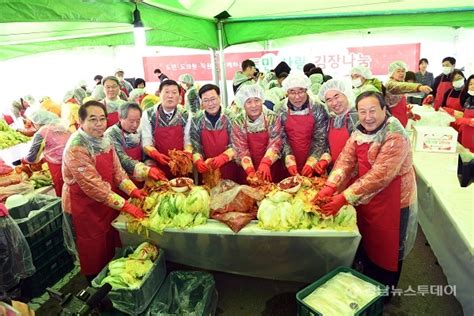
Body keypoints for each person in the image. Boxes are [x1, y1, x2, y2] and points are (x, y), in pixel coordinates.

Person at [315, 91, 417, 295]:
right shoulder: (360, 130)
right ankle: (366, 281)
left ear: (384, 110)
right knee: (368, 239)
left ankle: (385, 292)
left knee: (388, 247)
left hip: (394, 199)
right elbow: (346, 159)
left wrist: (343, 197)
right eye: (363, 112)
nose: (367, 116)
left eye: (373, 111)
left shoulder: (394, 134)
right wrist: (330, 186)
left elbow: (380, 175)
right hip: (365, 195)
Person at [62, 100, 146, 282]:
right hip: (84, 208)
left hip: (105, 202)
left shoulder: (104, 139)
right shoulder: (76, 147)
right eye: (93, 119)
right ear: (81, 121)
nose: (99, 124)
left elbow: (118, 172)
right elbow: (94, 186)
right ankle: (94, 289)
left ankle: (109, 281)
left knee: (107, 243)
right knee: (93, 250)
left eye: (102, 119)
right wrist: (127, 206)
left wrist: (133, 191)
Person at [279, 73, 330, 177]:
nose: (297, 97)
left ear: (307, 90)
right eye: (292, 92)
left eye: (301, 91)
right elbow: (281, 138)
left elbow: (321, 138)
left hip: (315, 160)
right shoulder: (281, 109)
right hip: (289, 161)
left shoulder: (317, 108)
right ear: (286, 93)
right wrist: (289, 158)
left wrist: (312, 161)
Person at [231, 84, 284, 184]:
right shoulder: (239, 121)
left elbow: (276, 142)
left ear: (262, 100)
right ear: (243, 104)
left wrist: (266, 163)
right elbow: (241, 149)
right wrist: (250, 171)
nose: (254, 105)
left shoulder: (272, 117)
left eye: (257, 100)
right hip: (248, 169)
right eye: (249, 102)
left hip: (271, 167)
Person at [140, 80, 192, 179]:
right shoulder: (148, 114)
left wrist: (187, 155)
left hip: (180, 165)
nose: (170, 96)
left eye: (174, 92)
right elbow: (146, 141)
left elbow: (188, 139)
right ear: (159, 94)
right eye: (166, 92)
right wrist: (156, 155)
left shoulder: (185, 114)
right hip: (157, 165)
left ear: (180, 96)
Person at [105, 103, 167, 185]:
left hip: (142, 177)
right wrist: (146, 170)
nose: (135, 125)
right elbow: (121, 159)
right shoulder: (111, 134)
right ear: (120, 118)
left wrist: (151, 166)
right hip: (124, 181)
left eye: (138, 121)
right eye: (131, 121)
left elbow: (145, 153)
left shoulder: (140, 129)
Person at [190, 84, 239, 182]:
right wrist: (198, 161)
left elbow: (237, 144)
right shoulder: (197, 120)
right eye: (206, 100)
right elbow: (196, 146)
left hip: (230, 169)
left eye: (213, 99)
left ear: (219, 98)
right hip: (207, 170)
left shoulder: (231, 117)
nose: (210, 104)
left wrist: (224, 157)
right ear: (202, 103)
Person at [23, 110, 70, 197]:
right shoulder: (61, 127)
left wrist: (23, 159)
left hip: (59, 168)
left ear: (37, 122)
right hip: (74, 161)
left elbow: (31, 158)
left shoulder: (41, 132)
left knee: (65, 194)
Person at [318, 79, 359, 165]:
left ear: (346, 94)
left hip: (354, 172)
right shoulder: (331, 119)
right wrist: (325, 159)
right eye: (329, 100)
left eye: (336, 97)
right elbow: (328, 146)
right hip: (335, 172)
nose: (334, 103)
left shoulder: (357, 117)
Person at [384, 61, 432, 127]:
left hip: (401, 122)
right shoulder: (390, 84)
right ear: (392, 73)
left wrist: (407, 112)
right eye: (398, 71)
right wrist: (419, 87)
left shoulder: (400, 82)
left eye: (403, 71)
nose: (401, 73)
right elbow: (402, 86)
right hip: (393, 123)